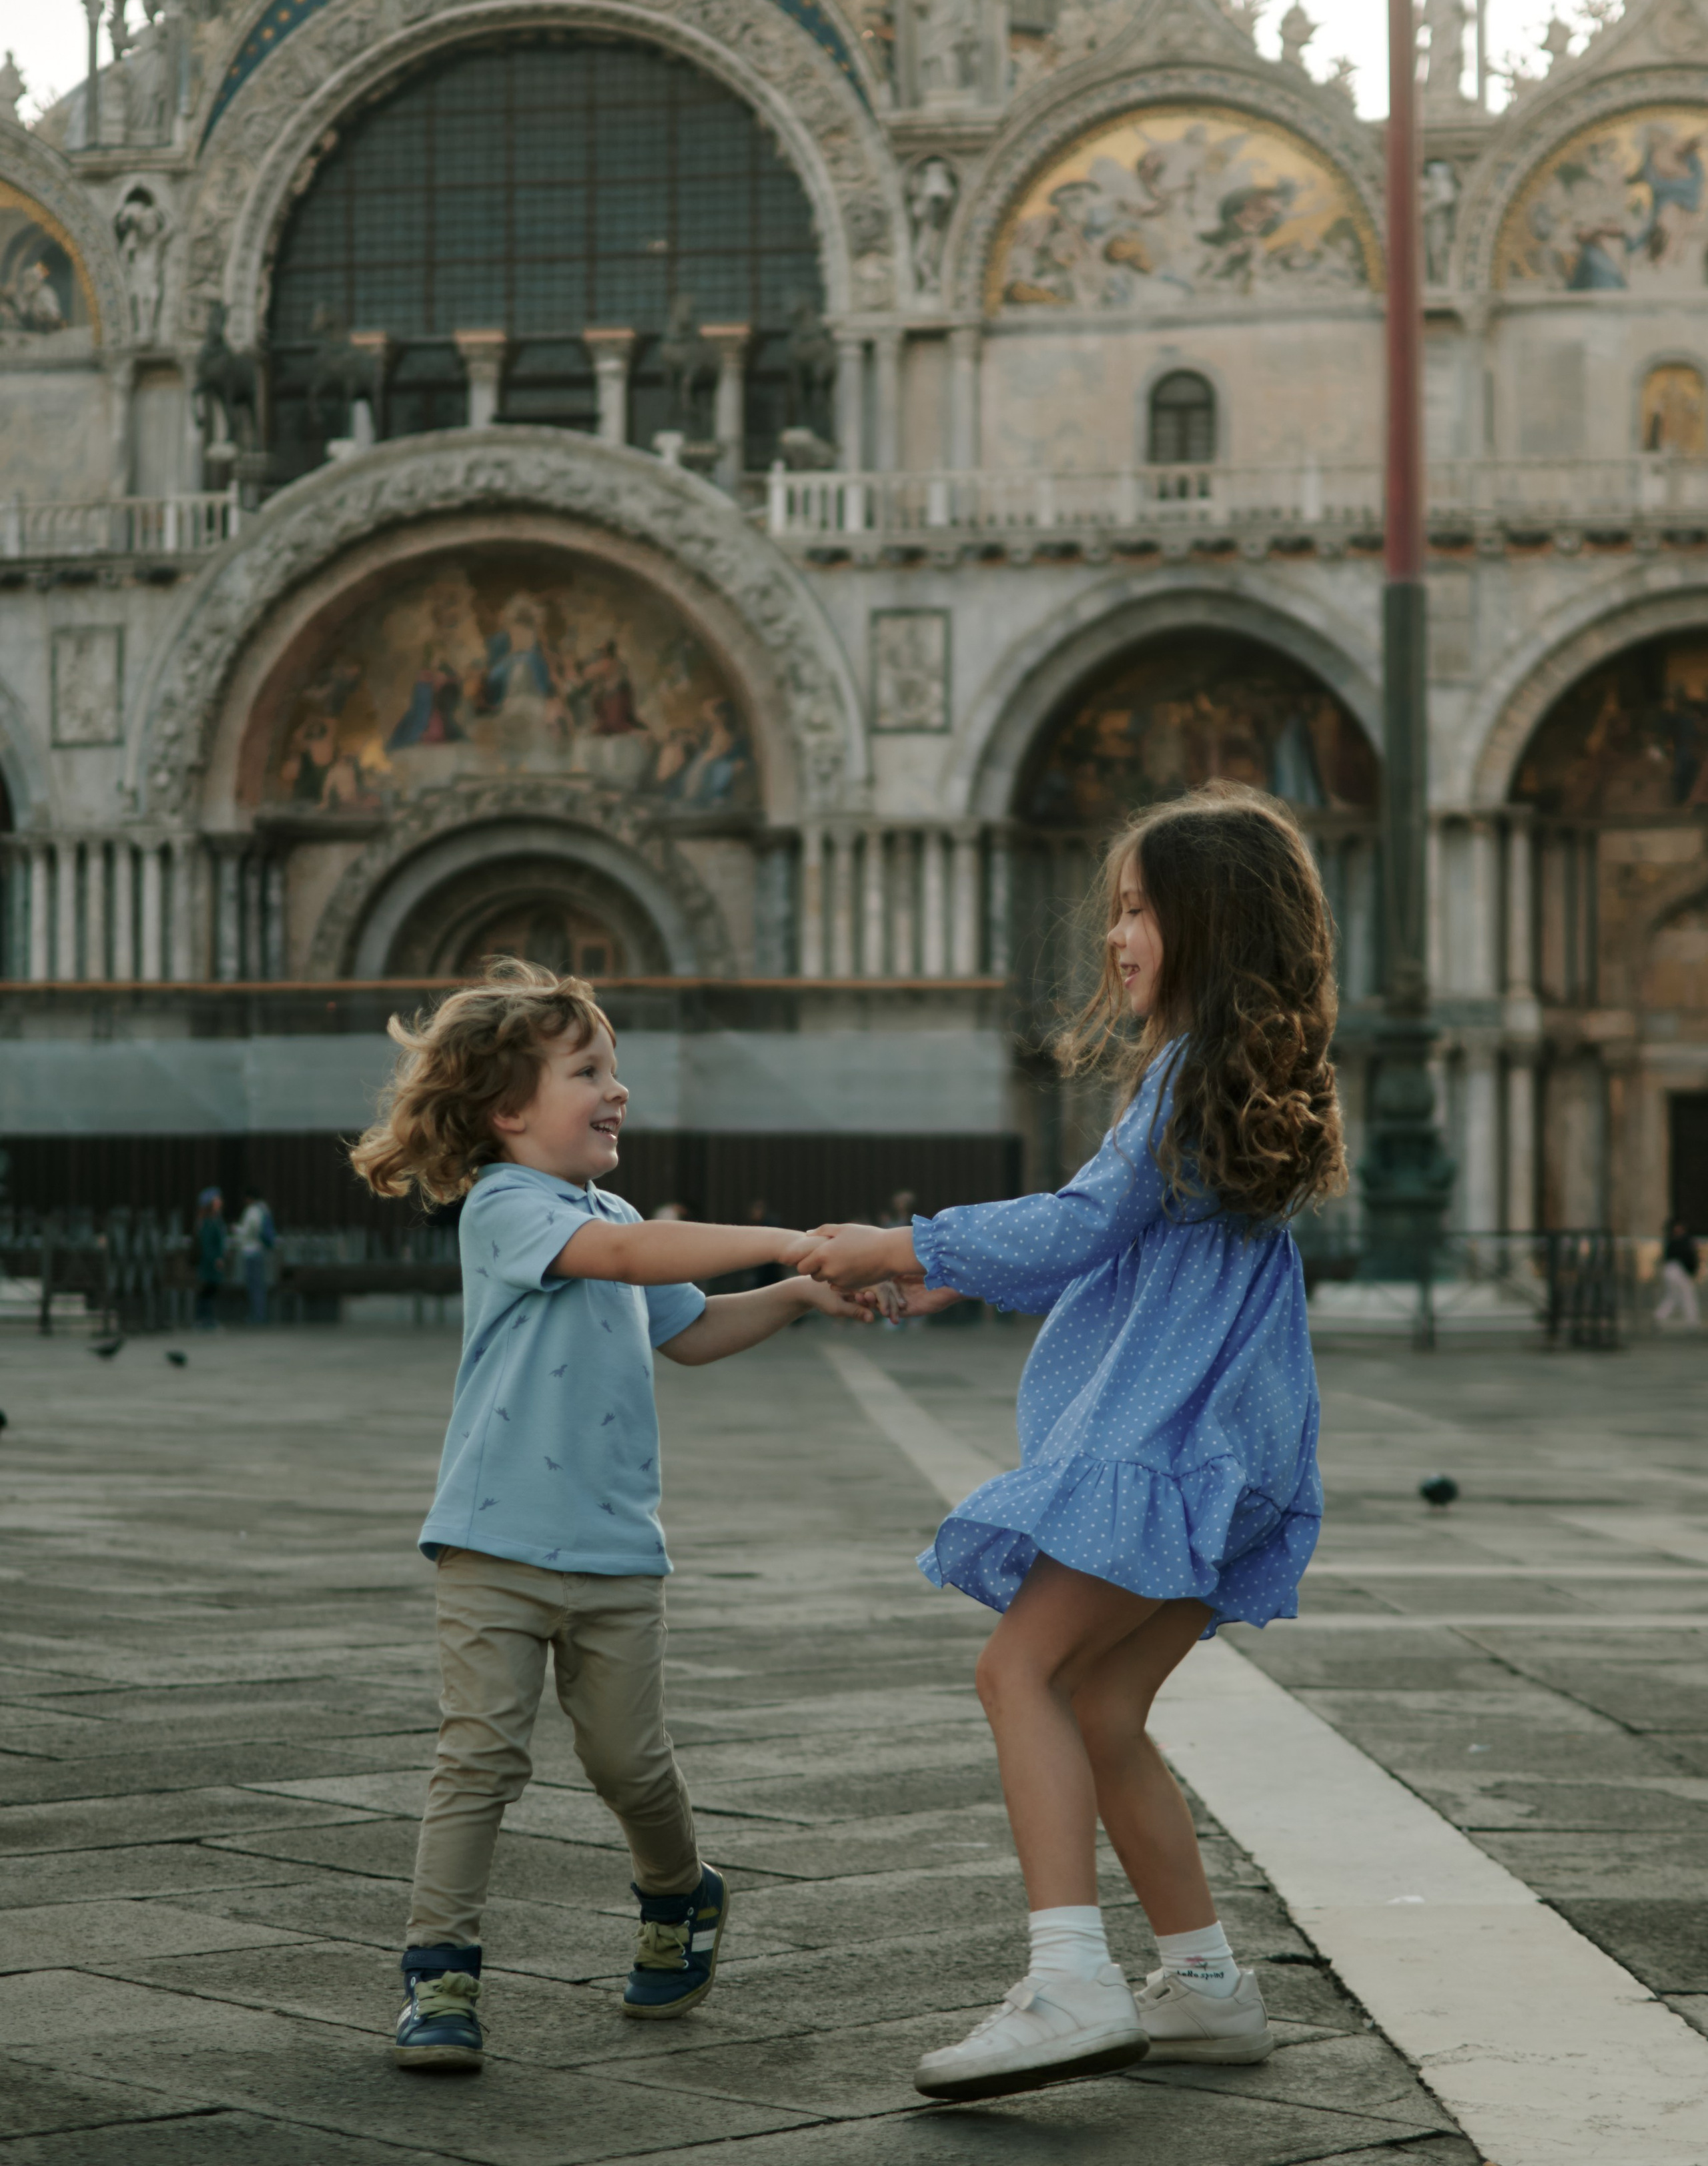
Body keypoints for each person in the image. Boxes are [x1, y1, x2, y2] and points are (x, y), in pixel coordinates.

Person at [800, 782, 1344, 2103]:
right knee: (1100, 1706)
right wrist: (952, 1280)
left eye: (1138, 910)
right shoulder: (1234, 1072)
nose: (1116, 938)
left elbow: (1080, 1222)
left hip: (1165, 1443)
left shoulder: (1183, 1070)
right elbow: (1130, 1243)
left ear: (1204, 928)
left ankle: (1067, 1981)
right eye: (1116, 911)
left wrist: (903, 1243)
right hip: (1235, 1448)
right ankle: (1204, 1988)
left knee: (1016, 1677)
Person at [348, 958, 865, 2071]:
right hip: (492, 1539)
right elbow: (625, 1261)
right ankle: (440, 1975)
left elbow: (686, 1329)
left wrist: (800, 1294)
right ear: (508, 1111)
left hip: (618, 1552)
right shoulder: (505, 1207)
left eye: (614, 1066)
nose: (616, 1087)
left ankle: (681, 1893)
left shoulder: (612, 1208)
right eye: (589, 1069)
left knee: (630, 1764)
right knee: (477, 1756)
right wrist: (785, 1239)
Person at [234, 1187, 276, 1324]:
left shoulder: (253, 1211)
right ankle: (259, 1315)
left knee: (255, 1286)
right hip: (260, 1250)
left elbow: (249, 1229)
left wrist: (236, 1230)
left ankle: (257, 1316)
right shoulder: (264, 1209)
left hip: (252, 1251)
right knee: (259, 1285)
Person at [193, 1187, 228, 1329]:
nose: (219, 1202)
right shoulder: (207, 1221)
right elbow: (207, 1244)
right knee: (207, 1289)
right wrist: (216, 1259)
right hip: (209, 1262)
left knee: (211, 1289)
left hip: (214, 1261)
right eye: (216, 1200)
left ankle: (207, 1318)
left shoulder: (216, 1219)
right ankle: (203, 1319)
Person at [1657, 1218, 1701, 1329]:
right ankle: (1693, 1322)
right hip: (1678, 1270)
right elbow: (1689, 1257)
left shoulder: (1673, 1240)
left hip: (1673, 1270)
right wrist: (1692, 1270)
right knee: (1687, 1296)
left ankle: (1659, 1316)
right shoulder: (1683, 1240)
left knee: (1674, 1296)